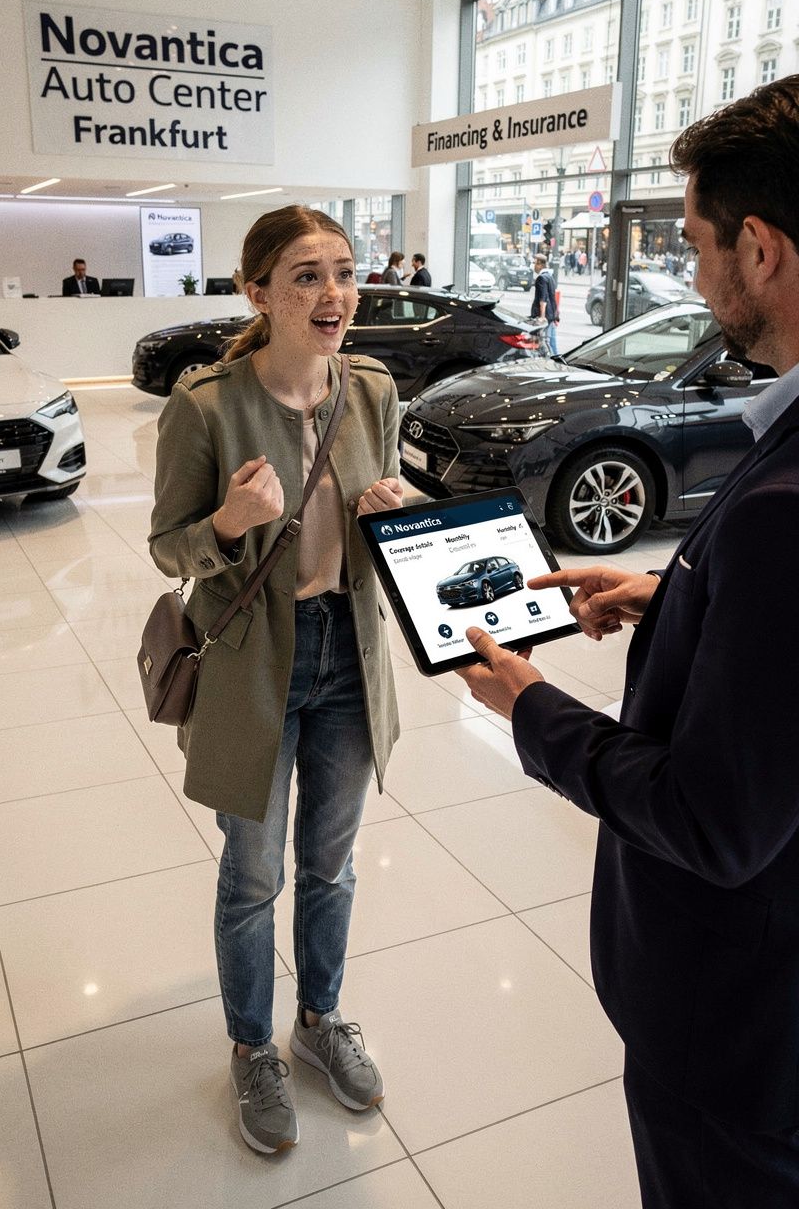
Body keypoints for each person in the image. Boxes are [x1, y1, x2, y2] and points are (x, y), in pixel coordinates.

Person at [456, 75, 799, 1208]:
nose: (694, 275)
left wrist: (533, 711)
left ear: (760, 248)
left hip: (742, 1034)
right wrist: (678, 595)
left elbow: (715, 820)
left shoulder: (780, 504)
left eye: (698, 243)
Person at [149, 205, 403, 1156]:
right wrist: (225, 523)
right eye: (306, 275)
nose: (333, 292)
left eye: (343, 271)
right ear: (258, 291)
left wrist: (396, 509)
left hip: (351, 653)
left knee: (330, 865)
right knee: (254, 874)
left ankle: (320, 1020)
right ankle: (253, 1044)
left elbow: (386, 516)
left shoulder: (372, 389)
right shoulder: (206, 406)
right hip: (255, 663)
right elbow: (166, 549)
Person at [530, 253, 559, 354]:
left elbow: (543, 298)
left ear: (540, 264)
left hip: (545, 316)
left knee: (545, 343)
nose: (533, 265)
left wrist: (542, 316)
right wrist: (556, 316)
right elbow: (553, 298)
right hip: (551, 316)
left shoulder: (541, 279)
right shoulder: (550, 277)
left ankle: (553, 364)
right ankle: (558, 361)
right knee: (552, 342)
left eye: (535, 263)